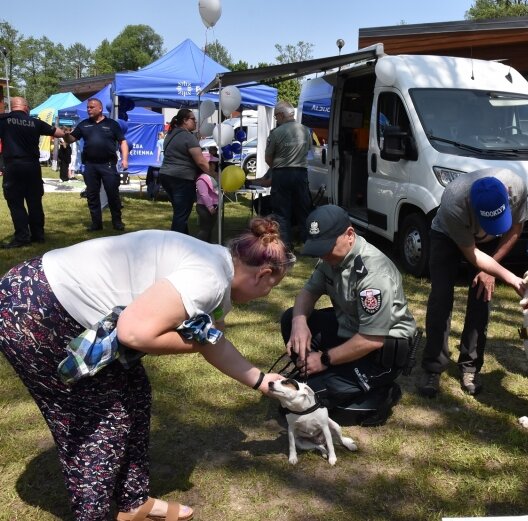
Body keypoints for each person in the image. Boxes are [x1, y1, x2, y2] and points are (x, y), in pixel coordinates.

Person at [0, 217, 292, 521]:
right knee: (101, 427)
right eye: (273, 287)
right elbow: (136, 334)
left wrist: (260, 380)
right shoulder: (209, 278)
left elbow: (214, 339)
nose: (268, 295)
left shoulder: (219, 266)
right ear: (264, 274)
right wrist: (199, 343)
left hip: (47, 298)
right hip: (36, 308)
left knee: (135, 394)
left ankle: (133, 503)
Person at [283, 205, 416, 426]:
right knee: (290, 318)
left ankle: (383, 390)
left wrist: (324, 359)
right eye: (319, 248)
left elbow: (371, 339)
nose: (323, 254)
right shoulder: (331, 258)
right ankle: (324, 371)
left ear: (350, 235)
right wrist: (299, 323)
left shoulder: (374, 274)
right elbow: (308, 292)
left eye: (327, 247)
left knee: (310, 400)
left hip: (380, 351)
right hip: (349, 332)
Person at [417, 168, 528, 398]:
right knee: (441, 297)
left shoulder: (516, 187)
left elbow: (516, 228)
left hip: (486, 245)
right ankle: (433, 366)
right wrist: (508, 276)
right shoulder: (454, 201)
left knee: (481, 296)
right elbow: (473, 255)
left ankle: (470, 367)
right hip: (447, 235)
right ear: (472, 206)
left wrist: (491, 270)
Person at [0, 96, 65, 248]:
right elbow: (59, 133)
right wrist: (68, 134)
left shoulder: (4, 120)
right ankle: (38, 235)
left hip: (14, 166)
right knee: (35, 201)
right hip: (33, 167)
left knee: (16, 202)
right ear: (26, 108)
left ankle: (22, 237)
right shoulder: (35, 122)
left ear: (12, 107)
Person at [63, 98, 128, 231]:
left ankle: (117, 222)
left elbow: (123, 142)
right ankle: (96, 223)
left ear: (100, 108)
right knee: (92, 195)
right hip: (90, 165)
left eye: (92, 107)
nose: (89, 109)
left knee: (113, 194)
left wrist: (125, 159)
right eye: (88, 107)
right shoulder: (83, 124)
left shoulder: (112, 124)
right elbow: (71, 139)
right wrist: (65, 135)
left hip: (108, 165)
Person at [265, 100, 312, 248]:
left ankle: (286, 245)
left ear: (280, 115)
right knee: (303, 209)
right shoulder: (305, 130)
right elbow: (308, 149)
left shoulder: (276, 133)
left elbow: (268, 157)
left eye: (276, 117)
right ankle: (307, 243)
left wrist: (276, 168)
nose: (276, 120)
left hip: (282, 174)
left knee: (281, 211)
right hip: (301, 173)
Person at [158, 109, 211, 235]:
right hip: (182, 178)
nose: (196, 122)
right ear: (184, 121)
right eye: (193, 119)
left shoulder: (170, 134)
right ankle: (176, 244)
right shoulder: (188, 137)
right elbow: (201, 161)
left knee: (179, 212)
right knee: (181, 214)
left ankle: (184, 239)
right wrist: (215, 175)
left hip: (166, 175)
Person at [195, 150, 219, 243]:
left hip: (213, 206)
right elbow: (204, 194)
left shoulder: (211, 176)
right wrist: (210, 207)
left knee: (209, 229)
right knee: (205, 229)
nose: (215, 165)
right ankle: (197, 245)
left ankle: (207, 245)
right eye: (213, 163)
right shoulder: (202, 179)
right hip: (205, 207)